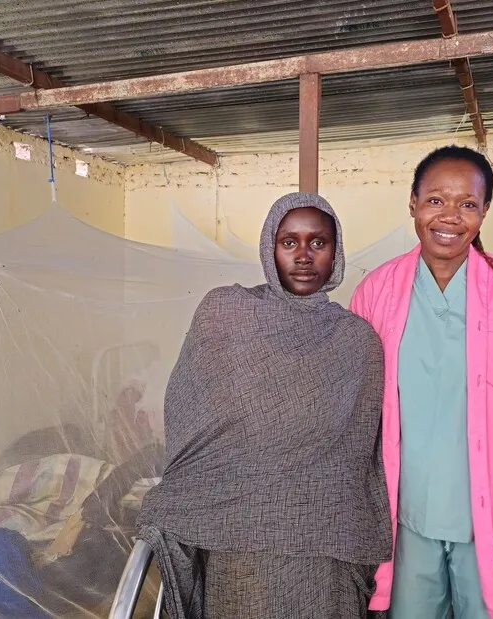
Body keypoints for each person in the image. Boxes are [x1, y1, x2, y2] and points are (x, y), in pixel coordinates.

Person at [137, 192, 392, 618]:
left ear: (337, 251)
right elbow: (191, 417)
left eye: (318, 242)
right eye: (289, 242)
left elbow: (361, 456)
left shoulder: (357, 342)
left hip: (325, 543)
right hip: (236, 537)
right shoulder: (225, 313)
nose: (304, 256)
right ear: (269, 248)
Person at [349, 145, 493, 619]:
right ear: (412, 203)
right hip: (404, 525)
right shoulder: (375, 294)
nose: (449, 216)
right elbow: (354, 418)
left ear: (485, 211)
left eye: (467, 204)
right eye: (435, 200)